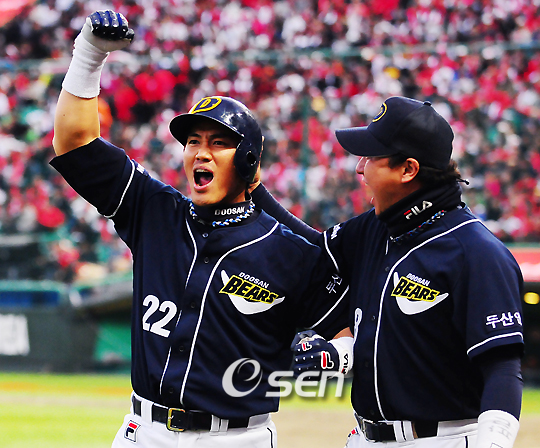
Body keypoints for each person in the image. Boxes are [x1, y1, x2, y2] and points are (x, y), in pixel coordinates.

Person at [50, 10, 350, 448]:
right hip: (143, 432)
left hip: (238, 438)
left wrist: (336, 356)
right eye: (193, 141)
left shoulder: (289, 250)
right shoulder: (154, 210)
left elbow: (354, 327)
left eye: (218, 143)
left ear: (248, 160)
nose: (200, 153)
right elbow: (74, 143)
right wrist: (89, 54)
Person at [252, 96, 524, 448]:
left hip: (443, 440)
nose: (359, 168)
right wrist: (255, 190)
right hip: (366, 437)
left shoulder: (477, 253)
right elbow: (312, 248)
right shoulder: (378, 227)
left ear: (408, 169)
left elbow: (503, 370)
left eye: (370, 157)